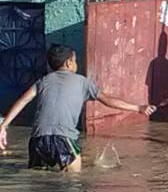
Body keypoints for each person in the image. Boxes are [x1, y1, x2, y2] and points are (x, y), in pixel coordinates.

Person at [0, 44, 156, 172]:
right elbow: (108, 101)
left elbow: (22, 101)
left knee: (38, 181)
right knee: (75, 181)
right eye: (75, 60)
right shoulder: (82, 82)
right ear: (69, 63)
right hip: (64, 138)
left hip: (38, 139)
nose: (76, 63)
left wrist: (3, 126)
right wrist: (138, 108)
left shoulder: (43, 81)